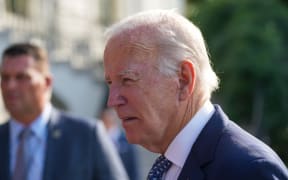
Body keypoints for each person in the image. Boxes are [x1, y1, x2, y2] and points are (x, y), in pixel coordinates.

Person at [103, 9, 288, 180]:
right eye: (110, 83)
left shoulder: (250, 170)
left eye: (127, 80)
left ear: (184, 79)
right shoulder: (170, 164)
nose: (112, 101)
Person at [0, 43, 128, 180]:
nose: (10, 86)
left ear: (47, 82)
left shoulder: (86, 136)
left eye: (21, 77)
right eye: (5, 78)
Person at [101, 108, 140, 180]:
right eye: (105, 118)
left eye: (110, 116)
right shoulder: (98, 139)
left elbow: (133, 167)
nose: (108, 120)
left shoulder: (127, 140)